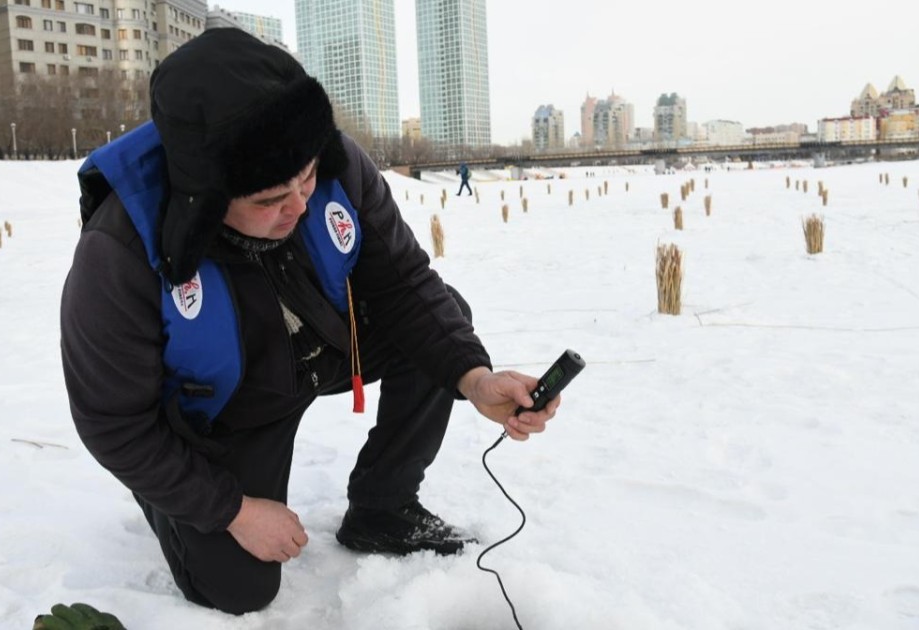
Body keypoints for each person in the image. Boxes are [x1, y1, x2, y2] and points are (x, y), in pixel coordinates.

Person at [60, 28, 559, 616]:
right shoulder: (118, 251)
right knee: (239, 588)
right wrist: (232, 511)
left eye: (307, 181)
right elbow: (113, 423)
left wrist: (474, 378)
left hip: (323, 346)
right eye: (271, 199)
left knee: (443, 325)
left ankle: (383, 507)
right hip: (225, 409)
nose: (298, 208)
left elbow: (404, 284)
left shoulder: (335, 161)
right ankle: (168, 500)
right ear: (205, 196)